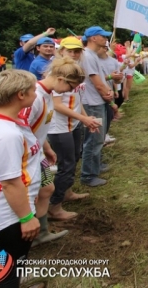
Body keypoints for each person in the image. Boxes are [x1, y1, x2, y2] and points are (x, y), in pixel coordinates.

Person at [0, 70, 42, 288]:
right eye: (34, 90)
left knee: (2, 264)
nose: (37, 92)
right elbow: (9, 182)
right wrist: (26, 218)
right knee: (7, 271)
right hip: (8, 213)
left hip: (7, 209)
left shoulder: (1, 117)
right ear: (21, 95)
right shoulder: (6, 135)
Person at [20, 57, 85, 245]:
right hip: (25, 156)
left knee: (47, 188)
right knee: (30, 193)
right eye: (71, 86)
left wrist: (46, 147)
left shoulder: (47, 94)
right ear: (61, 79)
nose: (71, 91)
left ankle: (42, 231)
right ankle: (23, 234)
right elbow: (22, 128)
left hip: (37, 152)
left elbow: (37, 127)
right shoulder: (35, 97)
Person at [48, 37, 102, 220]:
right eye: (70, 51)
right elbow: (57, 105)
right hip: (58, 127)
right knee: (66, 164)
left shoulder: (77, 72)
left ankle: (67, 192)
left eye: (77, 51)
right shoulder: (58, 73)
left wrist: (85, 118)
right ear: (61, 50)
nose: (74, 54)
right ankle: (54, 206)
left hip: (73, 124)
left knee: (74, 158)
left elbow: (76, 100)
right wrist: (82, 119)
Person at [80, 26, 114, 187]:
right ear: (93, 38)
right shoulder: (87, 56)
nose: (106, 39)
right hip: (92, 102)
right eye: (103, 36)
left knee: (98, 138)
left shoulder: (92, 55)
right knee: (94, 140)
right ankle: (88, 175)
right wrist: (106, 93)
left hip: (97, 101)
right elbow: (96, 81)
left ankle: (96, 165)